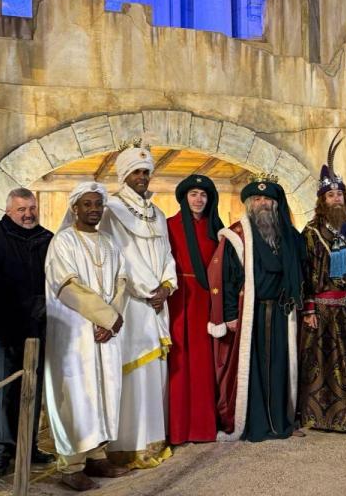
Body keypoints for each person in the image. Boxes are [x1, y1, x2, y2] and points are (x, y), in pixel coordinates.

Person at [43, 181, 131, 492]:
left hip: (106, 335)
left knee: (105, 391)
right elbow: (66, 287)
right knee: (77, 397)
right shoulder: (63, 242)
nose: (94, 209)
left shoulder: (109, 243)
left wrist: (112, 319)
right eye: (87, 204)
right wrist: (105, 317)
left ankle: (98, 455)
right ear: (75, 208)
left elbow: (122, 282)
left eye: (98, 204)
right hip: (76, 335)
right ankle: (71, 466)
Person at [208, 174, 306, 441]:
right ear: (249, 203)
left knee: (280, 369)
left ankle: (280, 422)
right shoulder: (236, 235)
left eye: (268, 199)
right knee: (252, 371)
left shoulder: (289, 236)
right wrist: (229, 315)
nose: (263, 203)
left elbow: (301, 274)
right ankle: (255, 424)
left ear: (276, 204)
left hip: (282, 314)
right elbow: (225, 278)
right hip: (249, 314)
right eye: (257, 199)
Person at [98, 142, 176, 468]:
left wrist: (168, 285)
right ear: (124, 175)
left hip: (158, 303)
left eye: (146, 172)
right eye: (136, 172)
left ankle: (152, 441)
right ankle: (127, 445)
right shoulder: (111, 210)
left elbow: (167, 254)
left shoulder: (157, 213)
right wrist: (149, 288)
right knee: (130, 374)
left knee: (154, 372)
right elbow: (121, 257)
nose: (143, 177)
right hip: (131, 303)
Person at [0, 188, 56, 478]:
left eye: (32, 208)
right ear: (8, 211)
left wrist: (44, 305)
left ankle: (27, 446)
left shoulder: (48, 239)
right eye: (21, 209)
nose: (28, 214)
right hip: (0, 329)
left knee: (31, 391)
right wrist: (24, 303)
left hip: (36, 329)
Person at [299, 134, 346, 433]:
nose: (336, 199)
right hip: (321, 308)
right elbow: (305, 270)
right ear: (322, 200)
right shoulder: (311, 231)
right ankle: (317, 418)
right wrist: (308, 308)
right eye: (331, 196)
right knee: (319, 362)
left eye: (340, 195)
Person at [166, 175, 224, 445]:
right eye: (193, 194)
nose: (199, 199)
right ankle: (178, 429)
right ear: (184, 198)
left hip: (208, 300)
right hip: (180, 298)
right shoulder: (169, 226)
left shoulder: (217, 227)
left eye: (203, 194)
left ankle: (202, 428)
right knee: (179, 362)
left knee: (204, 363)